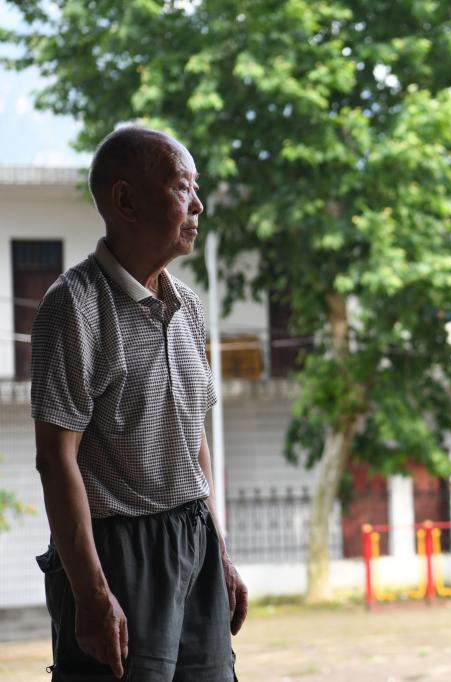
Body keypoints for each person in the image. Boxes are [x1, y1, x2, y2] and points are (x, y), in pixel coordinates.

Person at [31, 125, 247, 681]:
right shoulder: (74, 306)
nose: (198, 205)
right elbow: (55, 459)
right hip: (119, 551)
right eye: (182, 187)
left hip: (194, 539)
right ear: (125, 200)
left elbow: (193, 438)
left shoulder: (188, 305)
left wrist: (219, 552)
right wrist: (91, 593)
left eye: (196, 188)